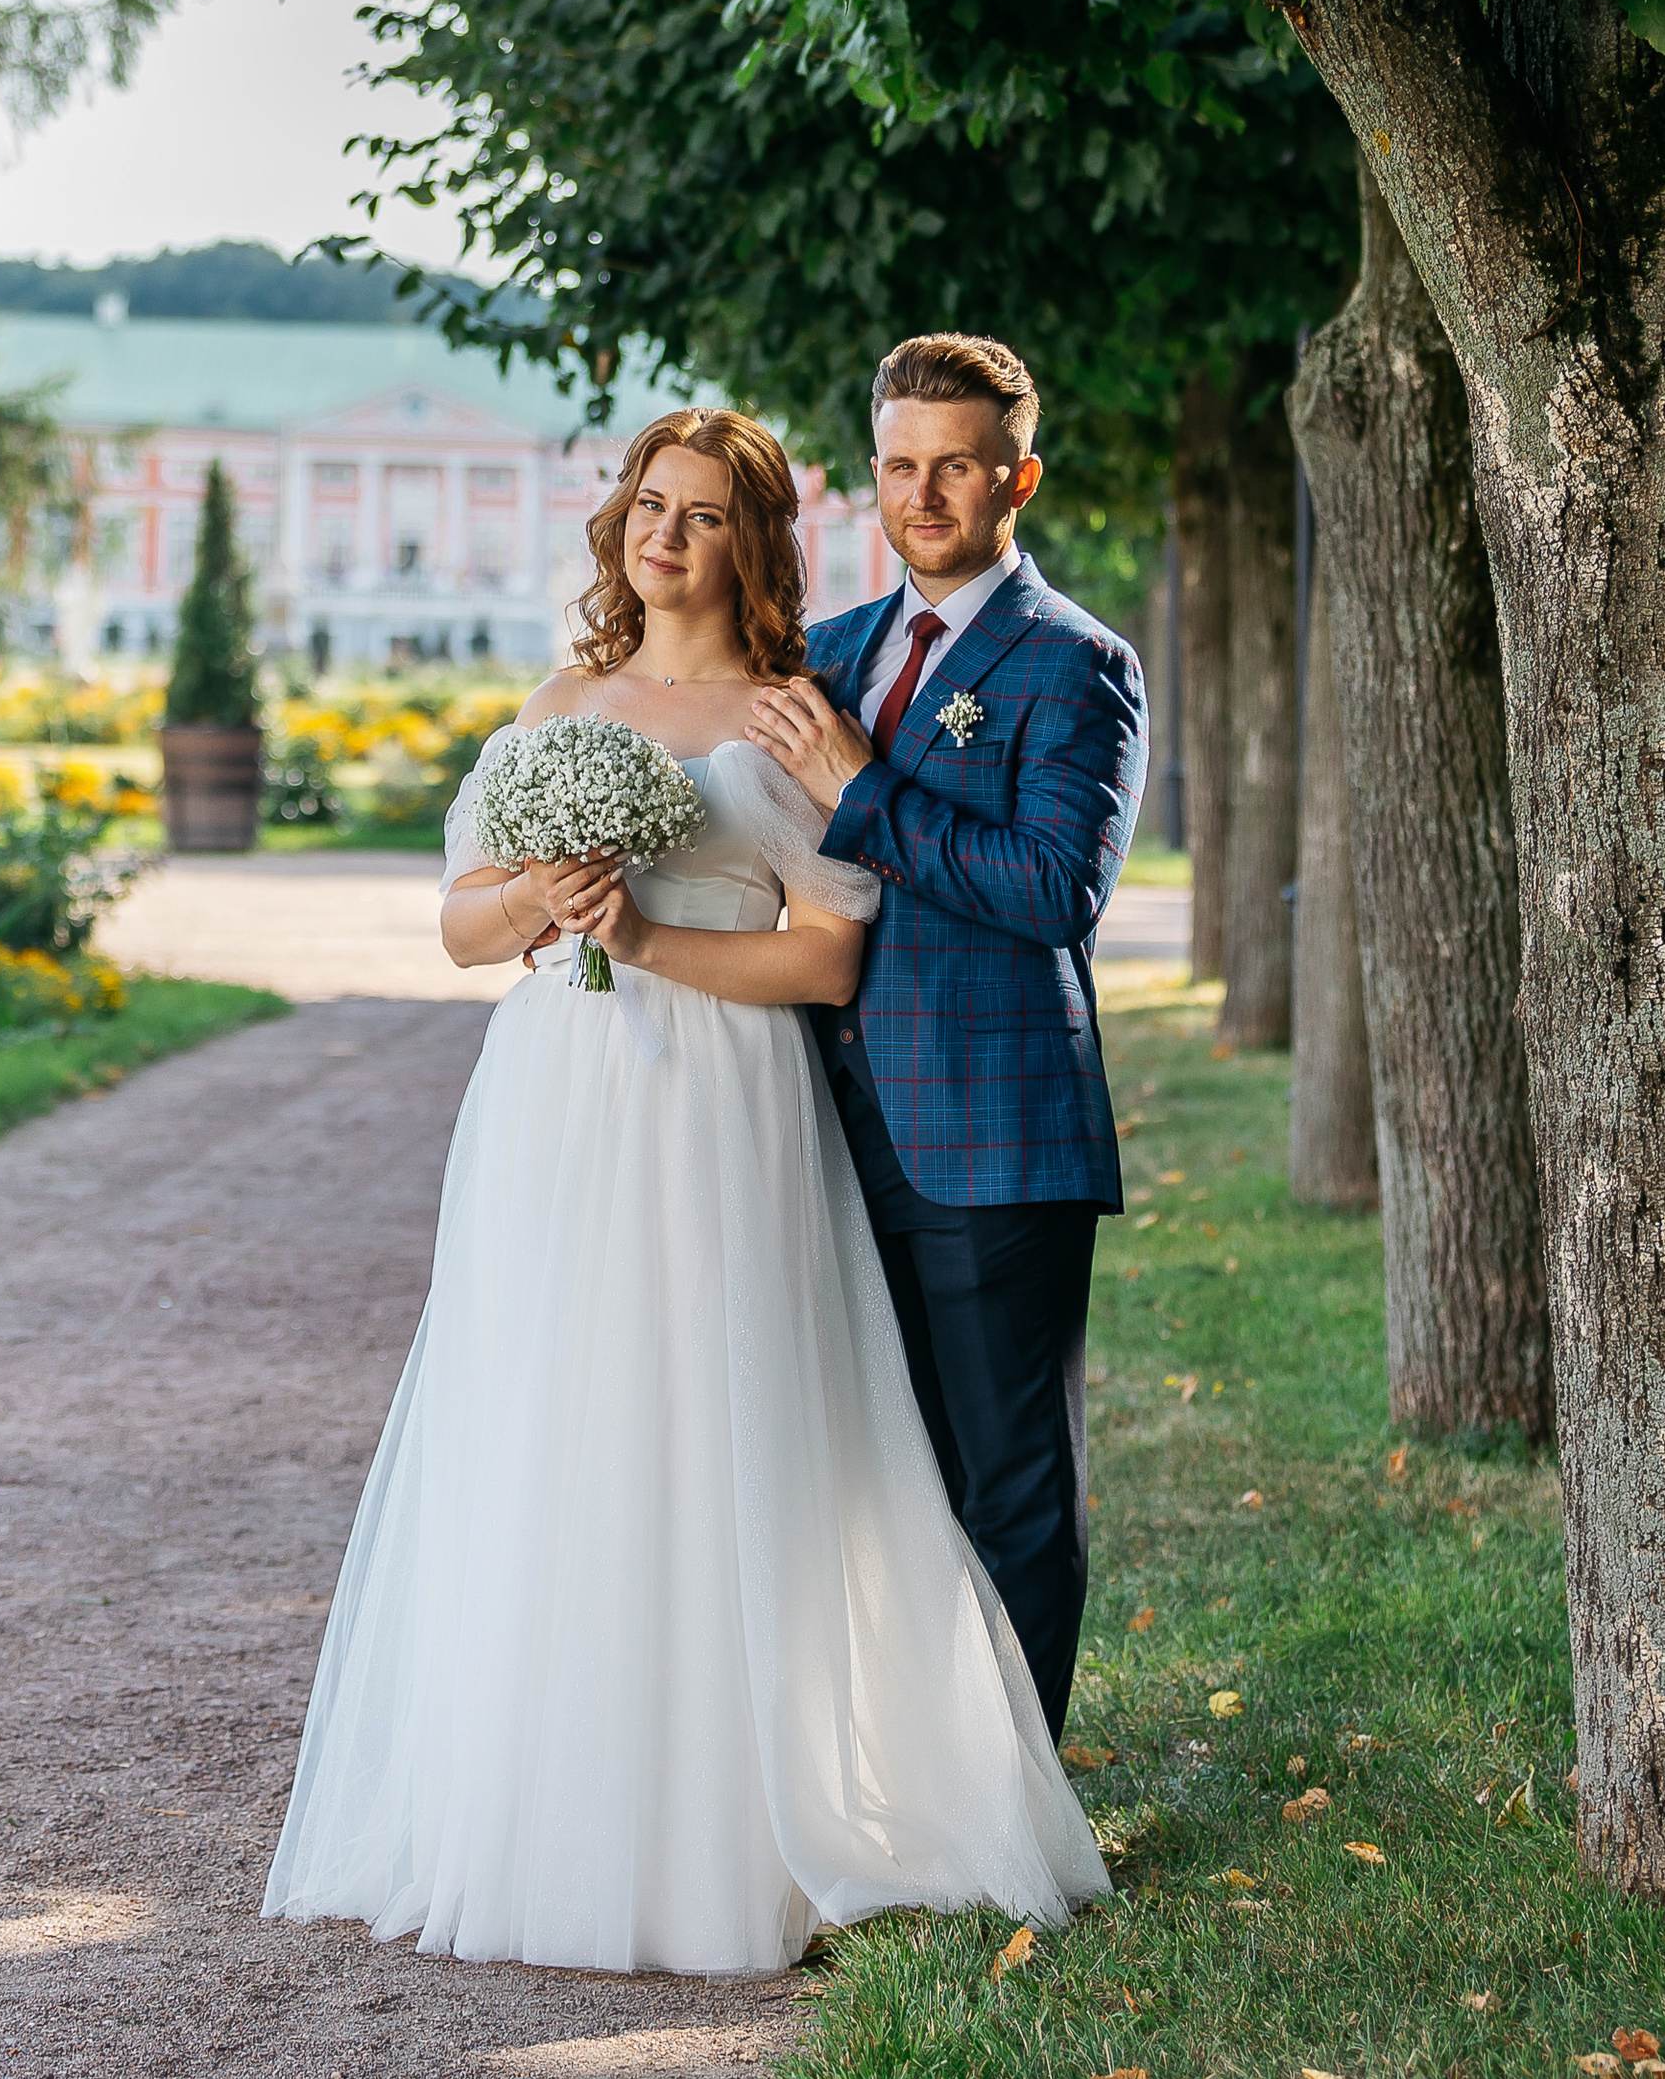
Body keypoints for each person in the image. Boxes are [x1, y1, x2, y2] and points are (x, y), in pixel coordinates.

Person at [262, 405, 1109, 1978]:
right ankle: (540, 1796)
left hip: (726, 1097)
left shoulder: (792, 712)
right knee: (554, 1429)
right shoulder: (558, 697)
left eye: (708, 514)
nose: (668, 534)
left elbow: (828, 947)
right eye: (652, 505)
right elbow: (458, 925)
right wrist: (544, 895)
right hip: (552, 1110)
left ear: (755, 541)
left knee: (722, 1429)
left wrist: (647, 940)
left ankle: (747, 1812)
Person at [748, 332, 1147, 1742]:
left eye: (957, 467)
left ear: (1017, 478)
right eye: (901, 466)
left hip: (995, 1135)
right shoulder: (824, 656)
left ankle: (1015, 1791)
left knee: (1010, 1483)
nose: (924, 494)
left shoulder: (1076, 666)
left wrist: (862, 790)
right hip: (826, 1133)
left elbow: (1055, 891)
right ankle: (908, 1775)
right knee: (878, 1477)